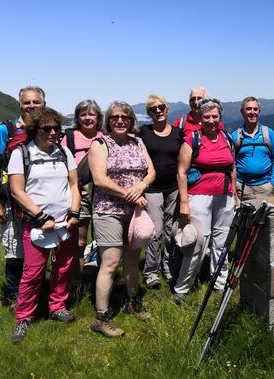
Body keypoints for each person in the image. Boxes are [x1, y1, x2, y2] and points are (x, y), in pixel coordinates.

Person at [7, 107, 80, 343]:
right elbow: (17, 191)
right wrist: (41, 217)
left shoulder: (63, 151)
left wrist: (74, 212)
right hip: (38, 225)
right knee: (33, 273)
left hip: (65, 224)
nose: (53, 132)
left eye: (56, 128)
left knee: (63, 268)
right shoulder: (22, 154)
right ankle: (23, 318)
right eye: (47, 128)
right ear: (34, 129)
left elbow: (74, 185)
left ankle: (57, 307)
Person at [88, 101, 156, 338]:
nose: (120, 120)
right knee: (110, 262)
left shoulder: (137, 142)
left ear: (130, 120)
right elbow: (99, 180)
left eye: (125, 117)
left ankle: (132, 300)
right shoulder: (99, 144)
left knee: (131, 258)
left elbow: (151, 171)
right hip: (108, 210)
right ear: (108, 120)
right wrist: (133, 196)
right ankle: (101, 317)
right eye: (115, 116)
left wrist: (142, 185)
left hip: (134, 212)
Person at [0, 86, 46, 309]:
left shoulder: (46, 128)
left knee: (39, 249)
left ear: (44, 104)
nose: (31, 106)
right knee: (14, 252)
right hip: (12, 201)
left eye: (36, 102)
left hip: (41, 201)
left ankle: (35, 294)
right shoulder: (6, 130)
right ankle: (15, 298)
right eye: (27, 102)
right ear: (20, 104)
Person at [174, 98, 238, 304]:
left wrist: (235, 194)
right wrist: (184, 202)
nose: (211, 120)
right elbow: (181, 173)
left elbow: (232, 168)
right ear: (200, 119)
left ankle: (219, 284)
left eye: (215, 116)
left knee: (222, 241)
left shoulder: (226, 138)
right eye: (207, 117)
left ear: (220, 117)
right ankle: (182, 288)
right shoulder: (192, 139)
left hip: (225, 195)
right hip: (199, 195)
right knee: (197, 243)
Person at [139, 94, 184, 288]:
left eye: (161, 107)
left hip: (173, 188)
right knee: (155, 231)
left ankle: (169, 267)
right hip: (153, 188)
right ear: (148, 113)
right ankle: (151, 271)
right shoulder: (143, 132)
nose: (157, 111)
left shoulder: (178, 133)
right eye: (153, 108)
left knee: (171, 230)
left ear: (167, 109)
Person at [60, 99, 104, 299]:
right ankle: (75, 283)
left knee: (105, 242)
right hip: (79, 196)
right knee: (78, 242)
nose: (88, 118)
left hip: (105, 196)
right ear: (77, 118)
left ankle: (103, 282)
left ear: (98, 117)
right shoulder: (68, 138)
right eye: (83, 114)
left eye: (92, 114)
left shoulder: (106, 137)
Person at [231, 96, 274, 201]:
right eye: (248, 109)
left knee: (264, 217)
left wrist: (272, 182)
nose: (252, 112)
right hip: (242, 187)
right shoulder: (235, 136)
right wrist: (235, 185)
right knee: (244, 217)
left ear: (259, 112)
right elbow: (231, 163)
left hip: (265, 187)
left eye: (255, 109)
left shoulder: (268, 133)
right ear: (242, 112)